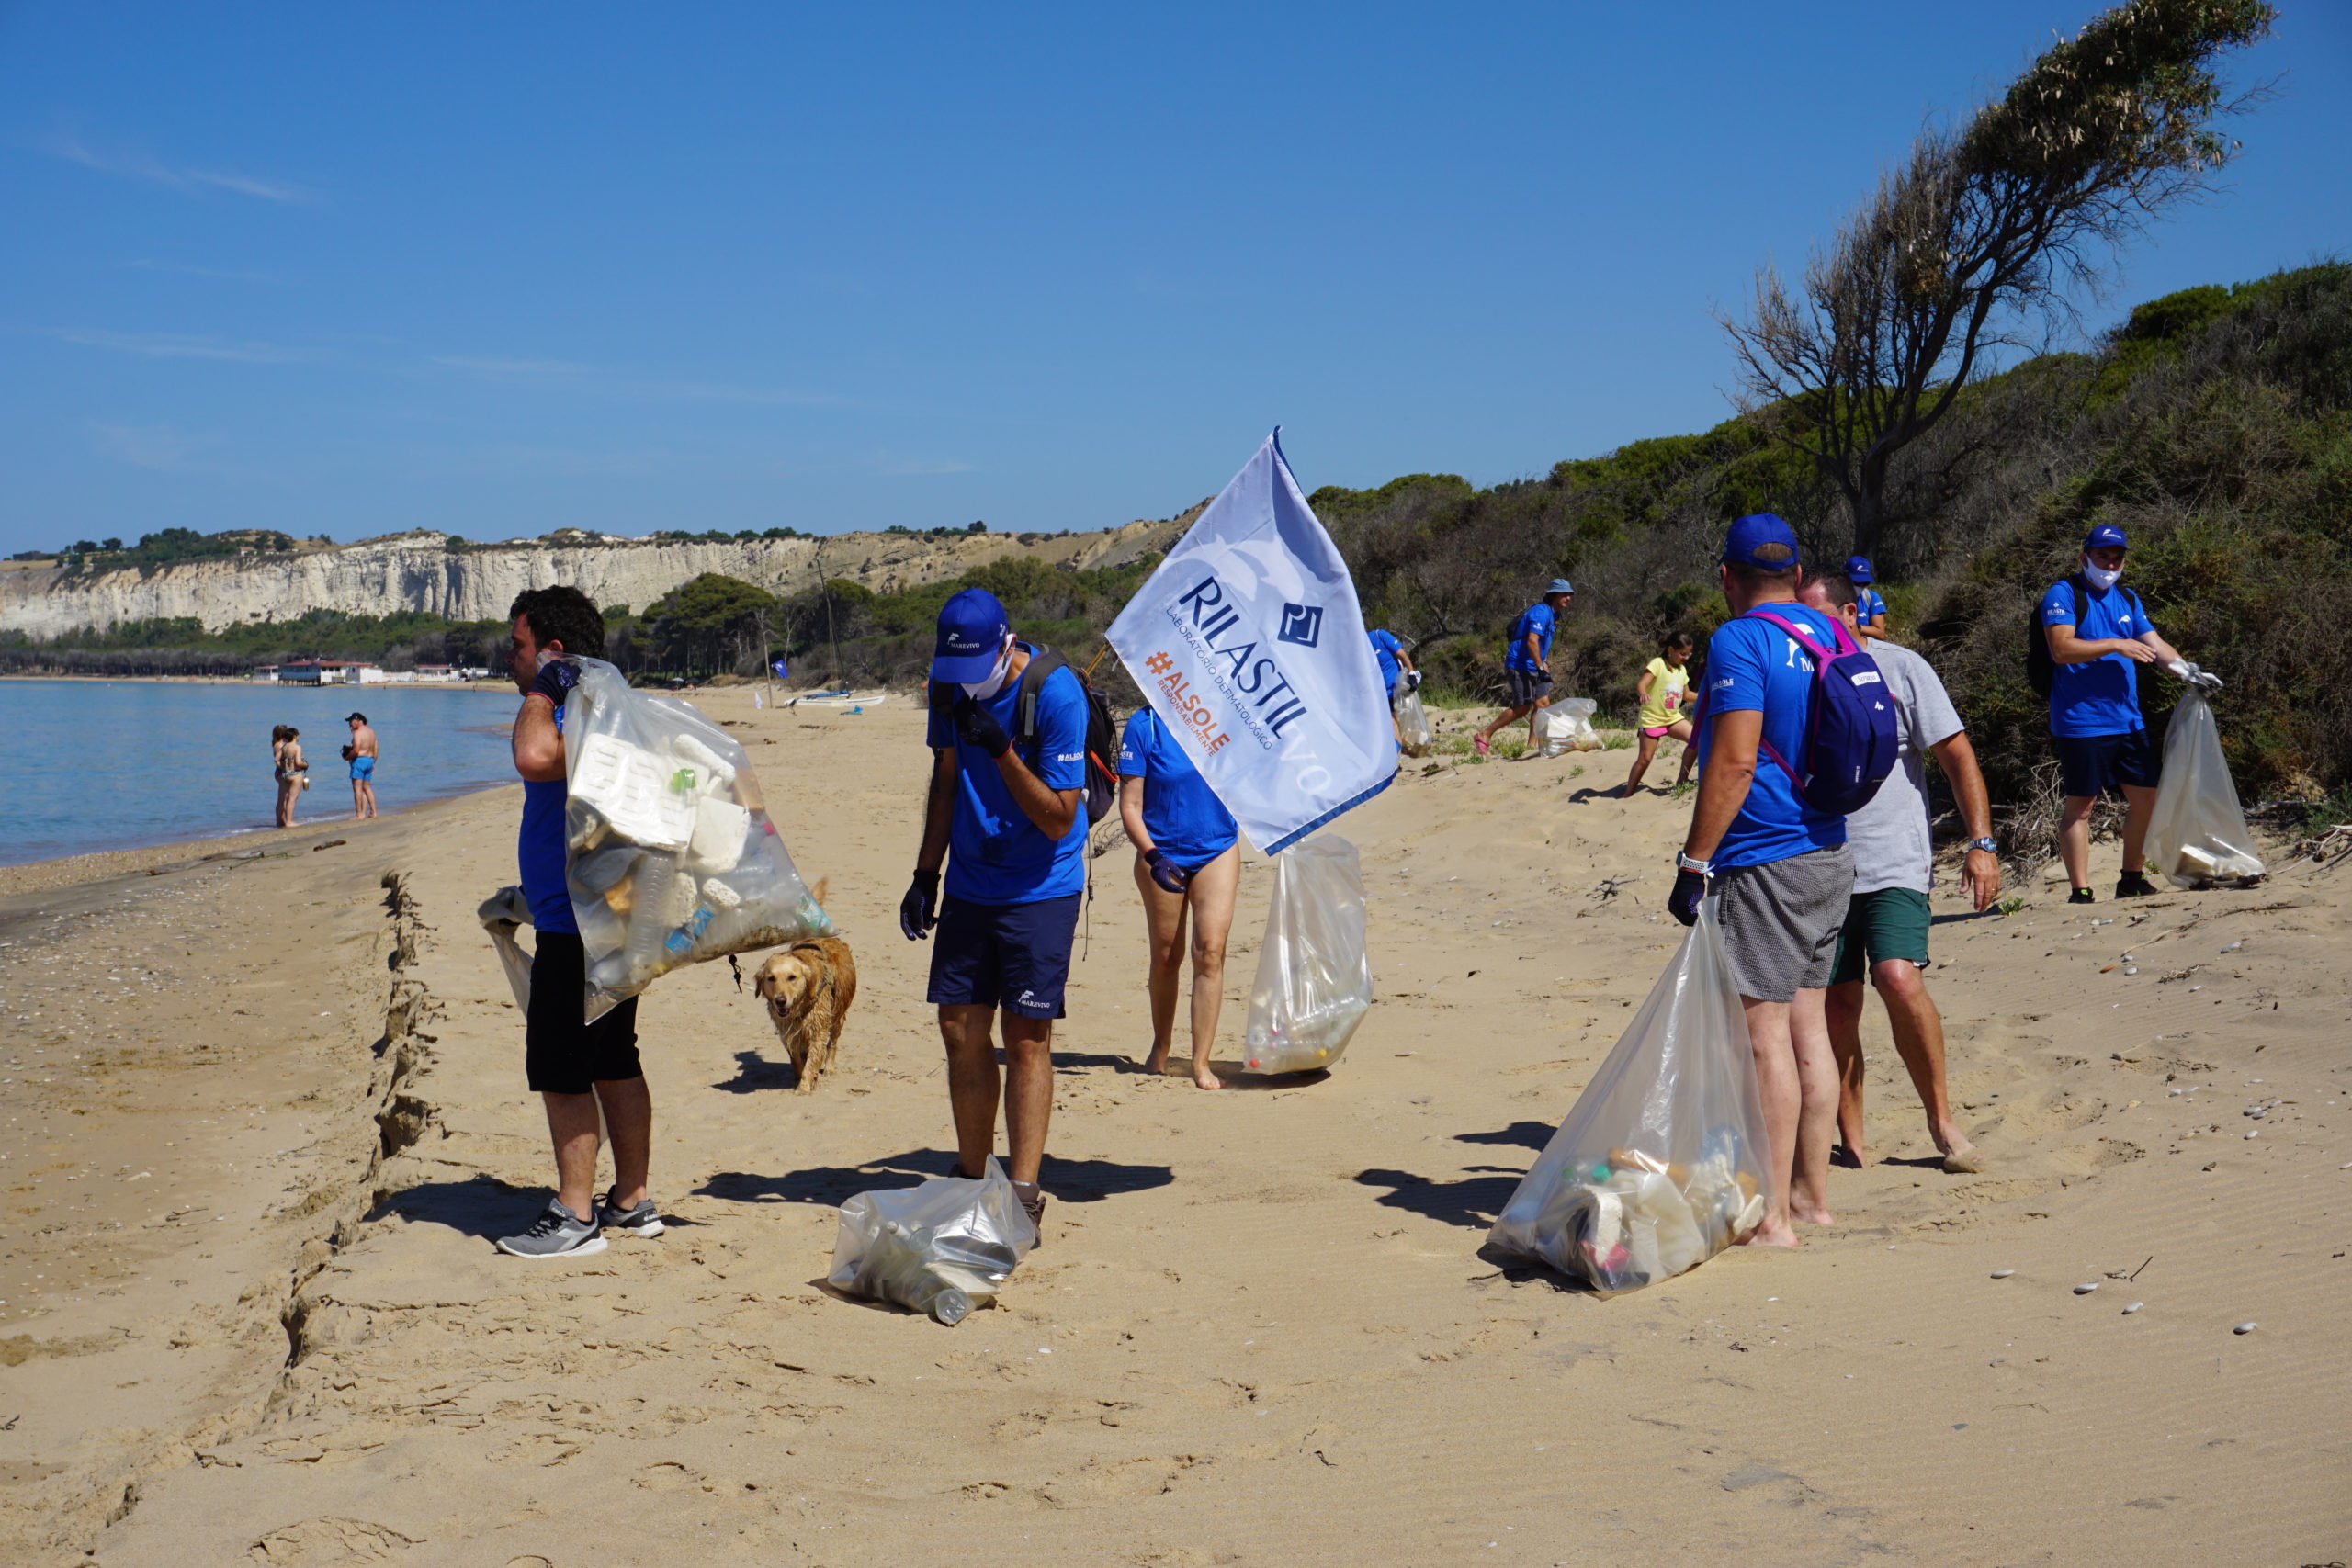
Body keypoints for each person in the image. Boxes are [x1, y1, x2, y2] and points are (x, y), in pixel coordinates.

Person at [1668, 514, 1851, 1246]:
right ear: (1797, 569)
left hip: (1766, 857)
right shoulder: (1830, 631)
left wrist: (1693, 860)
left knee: (1762, 1032)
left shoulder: (1740, 639)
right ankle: (1811, 1197)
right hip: (1831, 852)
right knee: (1809, 1029)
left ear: (1727, 576)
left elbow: (1735, 760)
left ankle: (1771, 1214)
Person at [900, 588, 1088, 1238]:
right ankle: (972, 1171)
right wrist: (927, 874)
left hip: (1041, 887)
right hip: (972, 885)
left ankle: (1026, 1189)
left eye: (976, 667)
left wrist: (1004, 750)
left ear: (1006, 646)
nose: (963, 683)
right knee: (958, 1027)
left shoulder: (1056, 694)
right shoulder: (947, 687)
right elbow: (946, 779)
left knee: (1026, 1037)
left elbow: (1061, 819)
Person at [1799, 573, 1999, 1173]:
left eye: (1820, 616)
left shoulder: (1902, 668)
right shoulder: (1797, 675)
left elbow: (1957, 753)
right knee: (1836, 1006)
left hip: (1894, 862)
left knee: (1898, 977)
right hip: (1820, 866)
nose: (1810, 630)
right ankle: (1852, 1139)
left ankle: (1941, 1120)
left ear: (1852, 612)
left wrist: (1981, 841)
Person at [496, 587, 659, 1259]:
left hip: (581, 924)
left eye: (520, 645)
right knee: (613, 1059)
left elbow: (534, 756)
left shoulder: (577, 705)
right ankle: (631, 1199)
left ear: (555, 652)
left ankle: (574, 1214)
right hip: (605, 914)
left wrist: (546, 686)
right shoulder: (611, 705)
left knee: (563, 1066)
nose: (512, 658)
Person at [2041, 524, 2219, 903]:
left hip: (2128, 720)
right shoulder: (2063, 594)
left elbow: (2155, 645)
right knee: (2082, 805)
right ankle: (2081, 890)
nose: (2109, 563)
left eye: (2116, 556)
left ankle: (2131, 878)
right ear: (2084, 556)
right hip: (2081, 720)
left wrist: (2189, 673)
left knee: (2147, 801)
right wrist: (2116, 645)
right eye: (2102, 555)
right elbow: (2061, 648)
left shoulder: (2128, 597)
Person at [1118, 705, 1242, 1090]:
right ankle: (1162, 1045)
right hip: (1161, 852)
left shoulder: (1228, 714)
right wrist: (1153, 856)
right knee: (1167, 954)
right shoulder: (1145, 726)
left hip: (1217, 848)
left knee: (1209, 950)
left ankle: (1200, 1061)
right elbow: (1131, 805)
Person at [1474, 579, 1574, 759]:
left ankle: (1531, 745)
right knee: (1522, 709)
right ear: (1553, 595)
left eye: (1569, 595)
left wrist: (1544, 662)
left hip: (1535, 664)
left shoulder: (1554, 615)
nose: (1568, 598)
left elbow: (1542, 643)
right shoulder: (1541, 612)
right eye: (1564, 594)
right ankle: (1484, 734)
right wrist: (1539, 667)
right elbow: (1532, 641)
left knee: (1542, 705)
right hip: (1520, 665)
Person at [1620, 631, 1699, 795]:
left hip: (1672, 718)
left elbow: (1687, 695)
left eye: (1688, 654)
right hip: (1652, 719)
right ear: (1671, 649)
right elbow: (1642, 683)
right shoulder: (1658, 663)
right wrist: (1642, 693)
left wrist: (1706, 697)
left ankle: (1682, 780)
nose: (1686, 657)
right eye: (1683, 653)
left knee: (1696, 741)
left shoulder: (1682, 670)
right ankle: (1628, 793)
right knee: (1645, 759)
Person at [1367, 626, 1419, 746]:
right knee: (1392, 722)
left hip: (1397, 688)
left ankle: (1407, 747)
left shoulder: (1379, 636)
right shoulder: (1356, 648)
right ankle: (1398, 755)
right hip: (1380, 694)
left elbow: (1402, 655)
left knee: (1401, 720)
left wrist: (1411, 674)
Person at [1847, 557, 1892, 642]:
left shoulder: (1872, 598)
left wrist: (1857, 628)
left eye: (1866, 583)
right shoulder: (1834, 598)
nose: (1861, 586)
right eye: (1857, 582)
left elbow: (1880, 633)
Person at [271, 725, 307, 829]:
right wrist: (305, 765)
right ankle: (287, 821)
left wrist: (281, 766)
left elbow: (276, 759)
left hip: (282, 773)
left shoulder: (279, 745)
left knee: (283, 799)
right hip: (287, 772)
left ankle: (281, 821)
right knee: (288, 798)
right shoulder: (283, 745)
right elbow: (297, 762)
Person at [345, 712, 379, 819]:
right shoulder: (371, 732)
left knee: (357, 789)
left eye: (351, 721)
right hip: (369, 760)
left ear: (358, 720)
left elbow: (356, 750)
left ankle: (359, 814)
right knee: (367, 787)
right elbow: (375, 749)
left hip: (359, 761)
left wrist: (347, 757)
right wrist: (373, 762)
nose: (350, 724)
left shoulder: (358, 733)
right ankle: (373, 812)